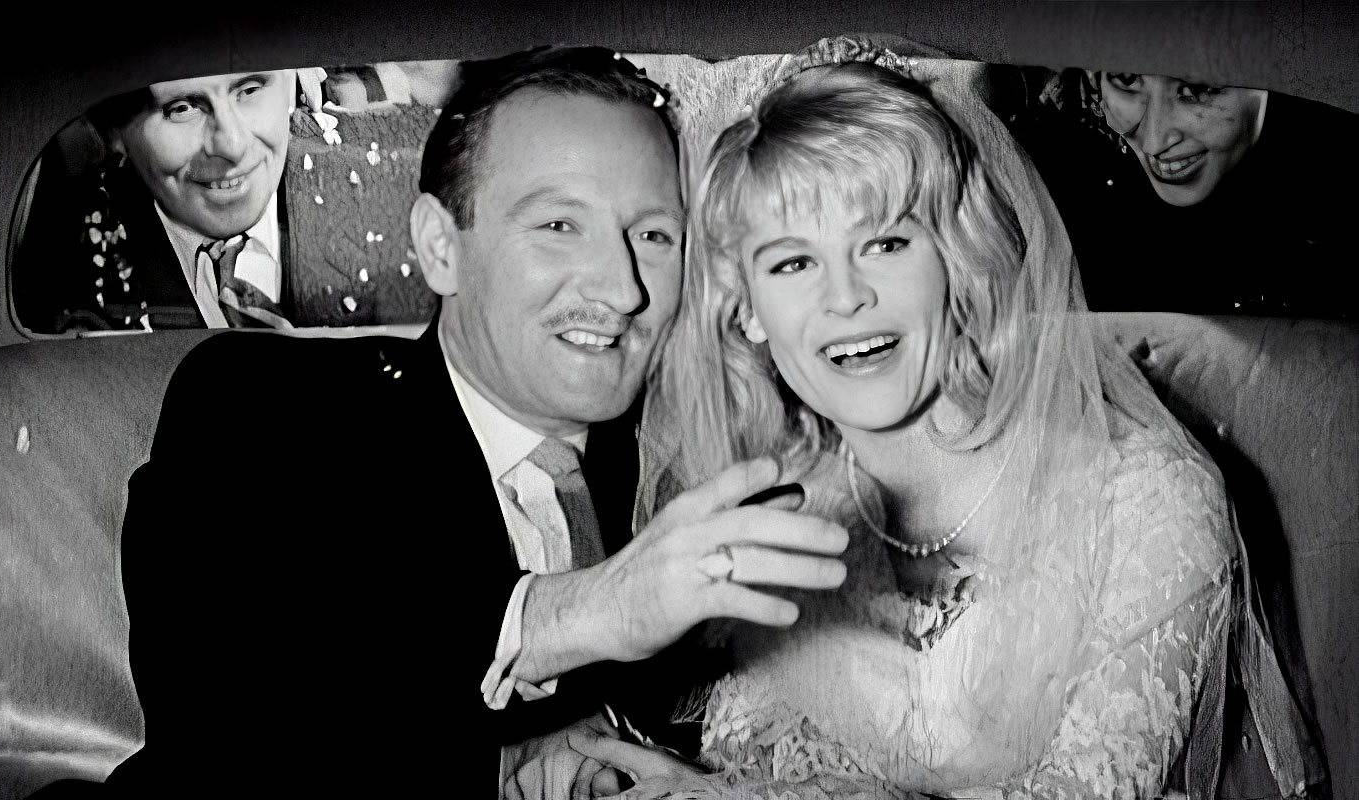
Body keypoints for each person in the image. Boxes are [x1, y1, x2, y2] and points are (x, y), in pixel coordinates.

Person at [61, 46, 850, 799]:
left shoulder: (702, 456)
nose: (620, 289)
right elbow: (225, 731)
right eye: (558, 226)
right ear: (441, 247)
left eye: (652, 235)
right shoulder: (262, 407)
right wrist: (567, 632)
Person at [572, 42, 1325, 799]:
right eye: (793, 262)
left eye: (885, 243)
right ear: (748, 311)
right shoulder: (767, 512)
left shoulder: (1142, 498)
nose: (845, 297)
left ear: (955, 261)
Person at [1009, 68, 1358, 318]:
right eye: (1127, 78)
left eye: (1197, 85)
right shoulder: (1058, 157)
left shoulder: (1337, 179)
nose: (1155, 140)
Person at [14, 69, 299, 332]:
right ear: (115, 131)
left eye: (249, 90)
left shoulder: (324, 172)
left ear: (289, 83)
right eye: (182, 108)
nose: (233, 146)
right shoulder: (67, 269)